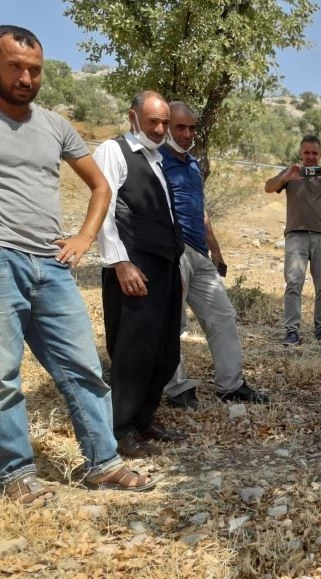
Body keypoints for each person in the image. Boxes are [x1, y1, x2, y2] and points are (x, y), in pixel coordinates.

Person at [0, 25, 157, 504]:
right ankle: (16, 473)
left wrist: (86, 236)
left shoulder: (55, 125)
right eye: (14, 67)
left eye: (34, 70)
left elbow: (100, 185)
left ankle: (102, 464)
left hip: (51, 265)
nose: (25, 78)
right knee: (4, 376)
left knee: (84, 367)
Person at [94, 90, 186, 457]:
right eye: (153, 122)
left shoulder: (157, 159)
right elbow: (102, 211)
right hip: (133, 269)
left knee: (164, 351)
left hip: (164, 268)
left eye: (164, 122)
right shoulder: (113, 151)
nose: (160, 129)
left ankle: (144, 419)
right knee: (133, 353)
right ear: (133, 118)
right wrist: (120, 263)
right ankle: (119, 430)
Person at [160, 101, 268, 408]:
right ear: (166, 127)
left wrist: (216, 250)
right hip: (174, 251)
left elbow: (200, 210)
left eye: (192, 128)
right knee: (173, 323)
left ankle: (230, 385)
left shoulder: (193, 165)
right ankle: (177, 389)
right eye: (180, 127)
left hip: (200, 253)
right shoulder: (156, 161)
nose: (187, 134)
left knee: (223, 315)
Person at [264, 134, 321, 345]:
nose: (310, 157)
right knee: (293, 283)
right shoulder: (291, 171)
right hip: (296, 235)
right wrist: (285, 178)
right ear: (300, 153)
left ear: (320, 154)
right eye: (306, 152)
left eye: (315, 153)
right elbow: (268, 187)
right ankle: (292, 331)